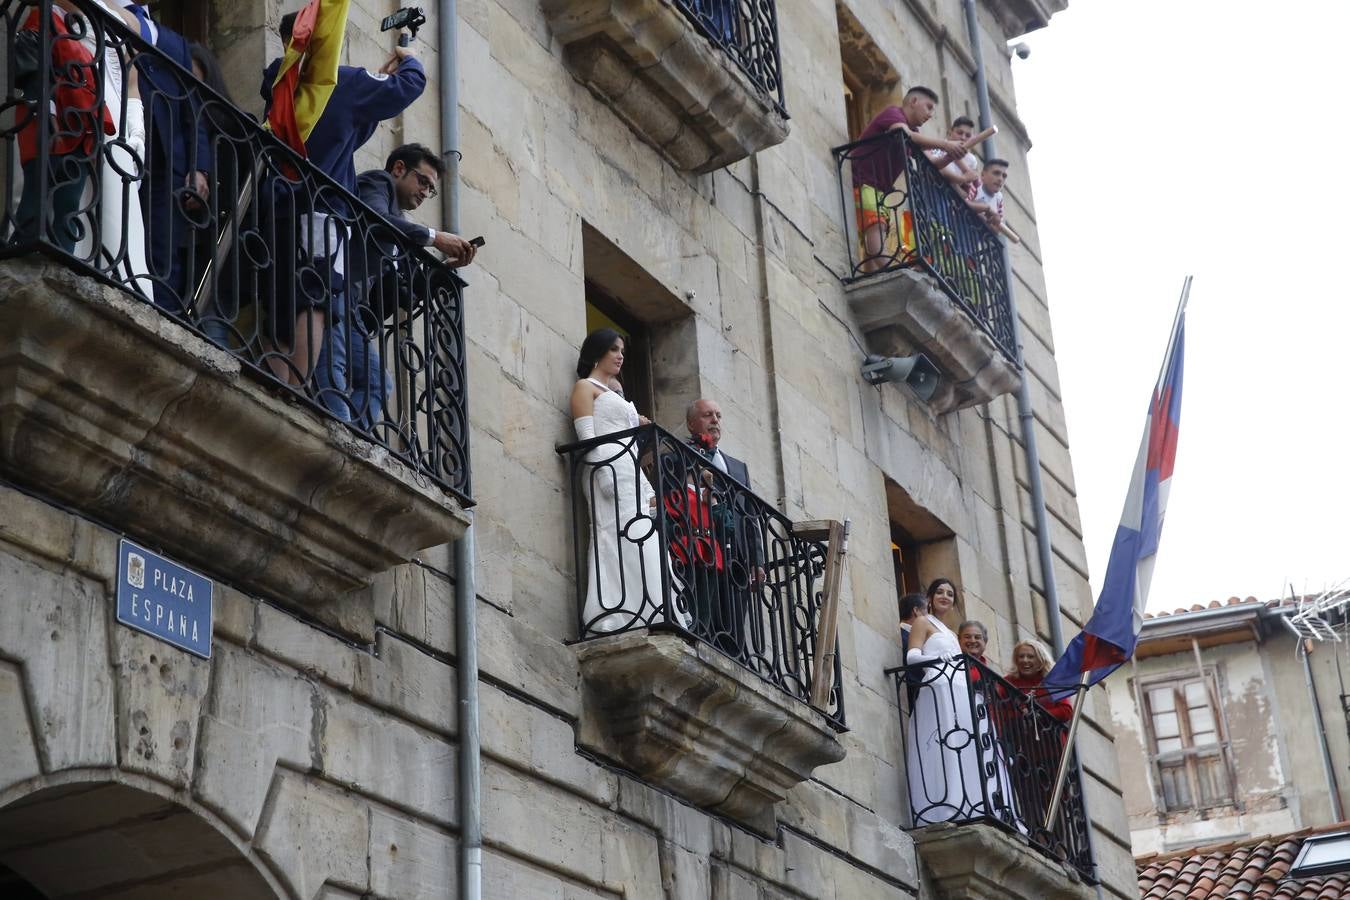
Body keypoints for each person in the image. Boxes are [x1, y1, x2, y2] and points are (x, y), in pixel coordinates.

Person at [260, 12, 427, 410]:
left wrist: (368, 89)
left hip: (278, 207)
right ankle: (295, 392)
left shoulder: (280, 85)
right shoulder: (340, 83)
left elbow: (341, 134)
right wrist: (411, 56)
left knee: (281, 299)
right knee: (315, 297)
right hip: (322, 211)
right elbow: (411, 85)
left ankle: (276, 382)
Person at [351, 143, 477, 429]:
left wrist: (445, 269)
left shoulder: (402, 226)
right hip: (335, 299)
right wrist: (434, 237)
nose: (425, 192)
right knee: (373, 382)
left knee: (376, 383)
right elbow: (375, 218)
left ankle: (349, 432)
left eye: (430, 190)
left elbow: (409, 291)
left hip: (353, 316)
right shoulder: (378, 182)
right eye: (423, 181)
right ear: (398, 169)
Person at [570, 330, 687, 635]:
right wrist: (603, 470)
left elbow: (632, 446)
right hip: (606, 464)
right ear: (597, 353)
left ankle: (647, 611)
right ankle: (613, 614)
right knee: (614, 535)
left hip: (629, 467)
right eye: (613, 349)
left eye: (622, 350)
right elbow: (587, 436)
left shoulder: (613, 391)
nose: (620, 355)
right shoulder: (585, 387)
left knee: (642, 537)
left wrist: (647, 485)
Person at [904, 578, 1015, 826]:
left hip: (959, 690)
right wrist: (934, 659)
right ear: (930, 597)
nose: (945, 596)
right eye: (940, 592)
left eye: (950, 594)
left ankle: (969, 803)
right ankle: (946, 805)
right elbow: (911, 657)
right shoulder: (922, 622)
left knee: (963, 744)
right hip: (938, 686)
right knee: (943, 742)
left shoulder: (954, 634)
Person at [13, 3, 115, 253]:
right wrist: (47, 112)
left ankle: (64, 255)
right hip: (51, 123)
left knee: (69, 201)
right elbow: (35, 71)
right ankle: (25, 249)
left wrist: (95, 132)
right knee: (37, 190)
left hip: (80, 129)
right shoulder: (42, 15)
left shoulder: (79, 29)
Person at [850, 87, 967, 273]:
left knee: (876, 231)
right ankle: (895, 274)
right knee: (876, 228)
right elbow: (906, 135)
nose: (930, 114)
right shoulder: (894, 114)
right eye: (928, 107)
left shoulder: (913, 130)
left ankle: (872, 276)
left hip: (878, 189)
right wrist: (946, 145)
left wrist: (952, 155)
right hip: (864, 181)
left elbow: (933, 162)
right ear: (913, 101)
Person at [683, 398, 763, 657]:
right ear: (691, 423)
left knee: (735, 614)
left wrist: (757, 561)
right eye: (708, 415)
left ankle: (736, 656)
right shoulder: (681, 454)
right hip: (702, 546)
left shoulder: (738, 467)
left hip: (736, 554)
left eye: (718, 415)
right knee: (708, 609)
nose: (715, 420)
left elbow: (750, 516)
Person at [1006, 639, 1073, 723]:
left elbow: (1066, 711)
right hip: (1017, 734)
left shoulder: (1053, 682)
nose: (1025, 660)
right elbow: (997, 709)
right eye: (1021, 656)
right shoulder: (1008, 681)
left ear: (1041, 660)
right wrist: (1021, 715)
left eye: (1030, 657)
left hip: (1048, 734)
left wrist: (1037, 714)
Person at [926, 116, 981, 194]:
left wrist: (953, 183)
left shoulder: (971, 160)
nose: (963, 137)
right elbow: (934, 167)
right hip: (926, 189)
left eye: (968, 135)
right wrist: (961, 179)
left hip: (946, 200)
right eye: (959, 133)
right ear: (950, 132)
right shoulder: (937, 146)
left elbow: (966, 194)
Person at [967, 158, 1009, 231]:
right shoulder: (976, 185)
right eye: (996, 173)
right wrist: (986, 208)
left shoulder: (999, 198)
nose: (1000, 179)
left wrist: (990, 221)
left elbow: (998, 229)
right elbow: (963, 202)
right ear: (983, 175)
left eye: (1004, 176)